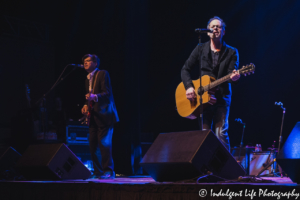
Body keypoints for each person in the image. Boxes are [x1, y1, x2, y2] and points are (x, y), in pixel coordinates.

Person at [181, 16, 240, 150]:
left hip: (222, 98)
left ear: (223, 31)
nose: (215, 29)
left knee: (221, 134)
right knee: (203, 136)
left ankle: (226, 169)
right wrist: (189, 87)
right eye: (212, 27)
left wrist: (235, 78)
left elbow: (231, 74)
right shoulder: (200, 48)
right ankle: (205, 169)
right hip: (203, 100)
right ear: (207, 32)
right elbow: (185, 69)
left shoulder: (231, 52)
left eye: (218, 27)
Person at [81, 54, 119, 179]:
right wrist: (86, 106)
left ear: (95, 63)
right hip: (93, 116)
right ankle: (97, 172)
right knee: (92, 145)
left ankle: (108, 171)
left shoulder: (103, 73)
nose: (85, 63)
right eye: (84, 61)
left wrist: (95, 97)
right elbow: (89, 97)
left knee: (104, 144)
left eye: (88, 61)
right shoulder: (87, 79)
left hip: (104, 114)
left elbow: (107, 93)